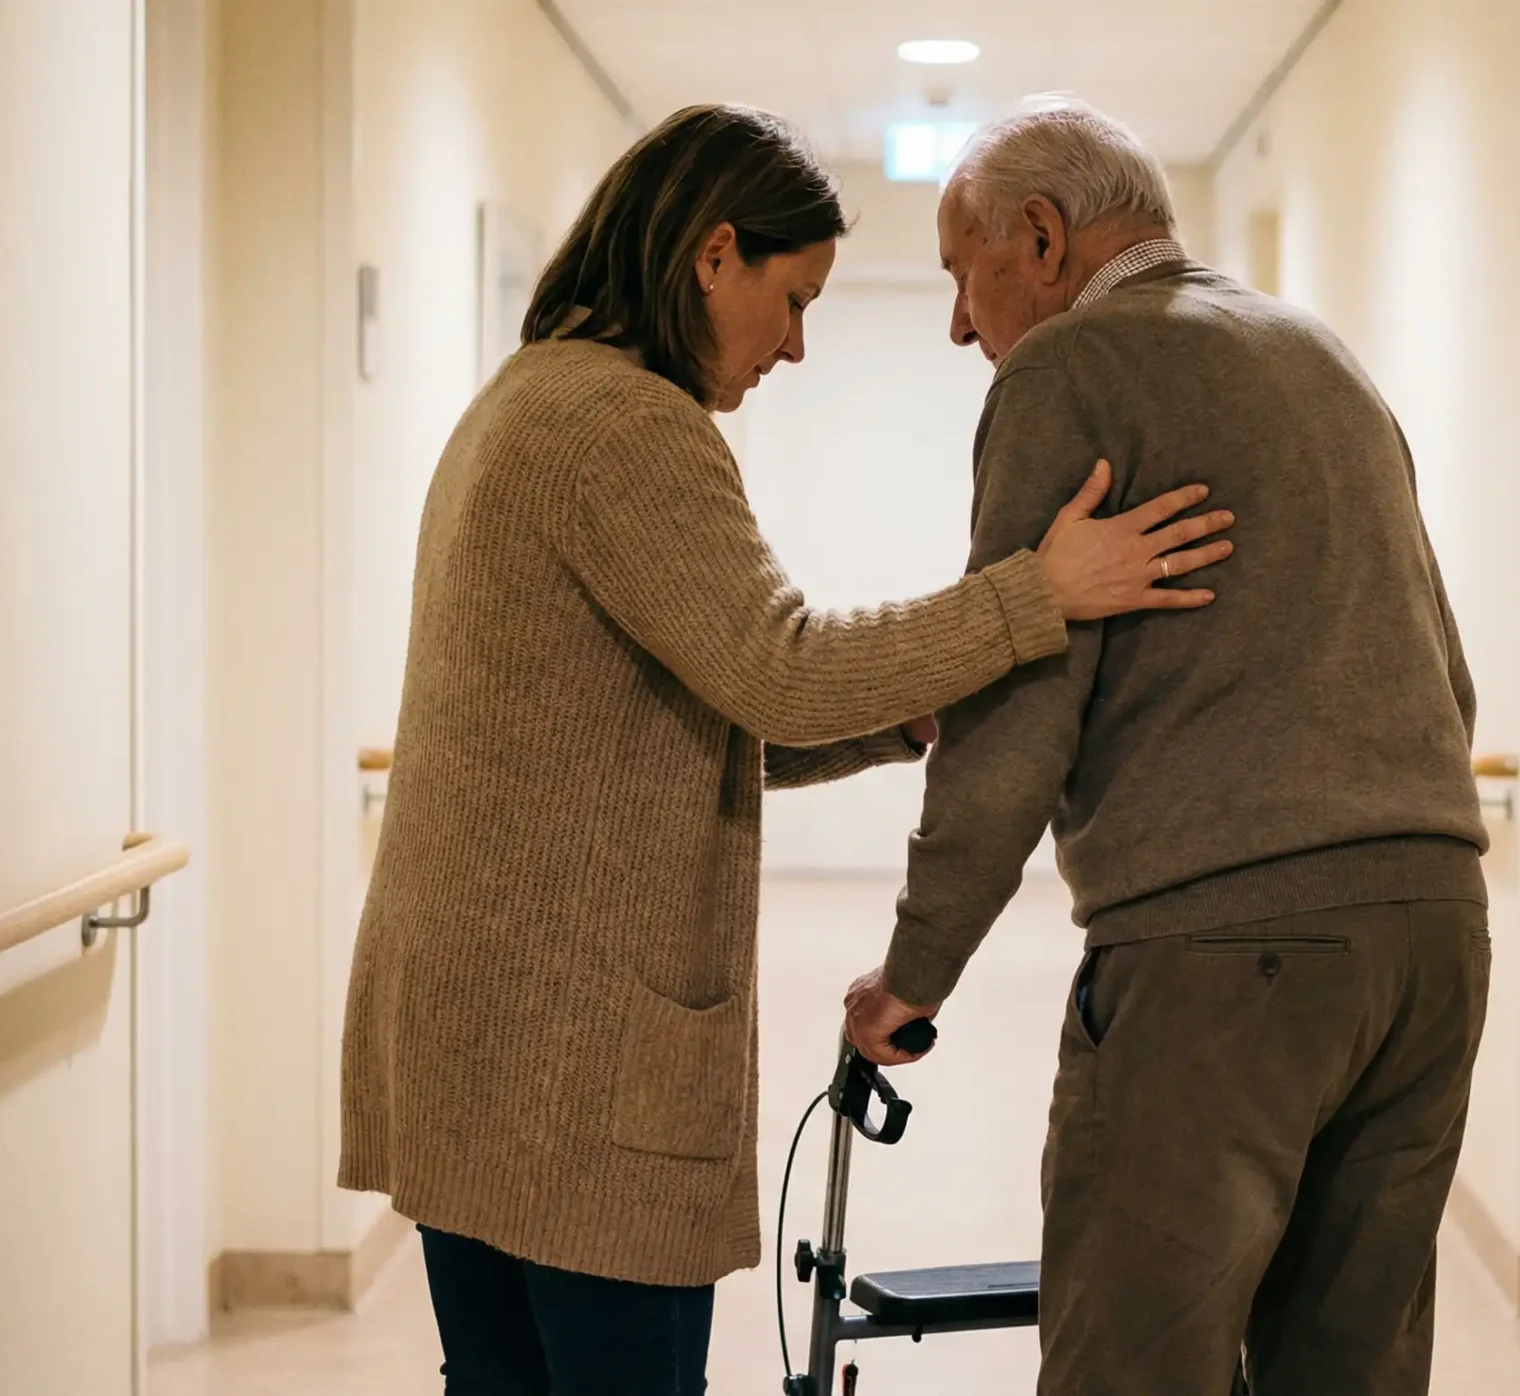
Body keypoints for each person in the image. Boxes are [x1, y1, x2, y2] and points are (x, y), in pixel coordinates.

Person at [336, 103, 1235, 1396]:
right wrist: (1037, 592)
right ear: (713, 257)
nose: (799, 345)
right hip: (566, 1068)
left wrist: (915, 705)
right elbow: (779, 668)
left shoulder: (526, 398)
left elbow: (664, 717)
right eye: (794, 297)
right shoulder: (628, 426)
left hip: (471, 1042)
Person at [842, 97, 1491, 1396]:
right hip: (1434, 938)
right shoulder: (1319, 353)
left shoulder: (1071, 369)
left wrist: (914, 974)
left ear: (1040, 237)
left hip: (1226, 961)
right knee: (1348, 1369)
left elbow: (1022, 702)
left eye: (962, 276)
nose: (961, 323)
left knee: (1131, 1366)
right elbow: (1441, 658)